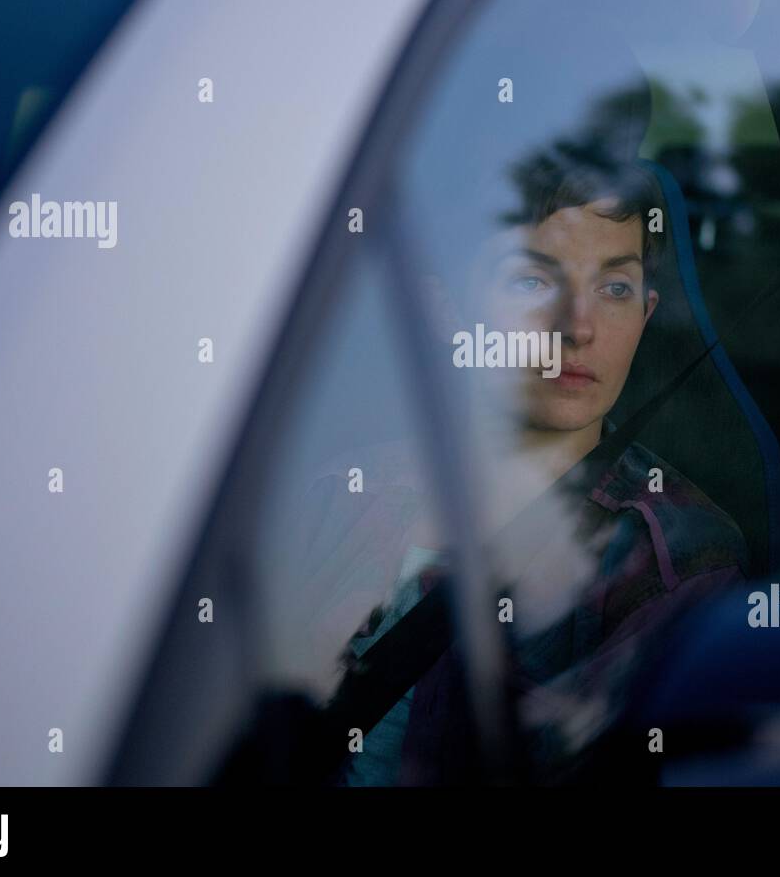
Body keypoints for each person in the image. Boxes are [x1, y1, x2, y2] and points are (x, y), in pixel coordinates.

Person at [304, 154, 749, 784]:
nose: (579, 327)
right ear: (447, 311)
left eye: (614, 288)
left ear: (646, 316)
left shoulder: (674, 563)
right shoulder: (340, 493)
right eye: (533, 282)